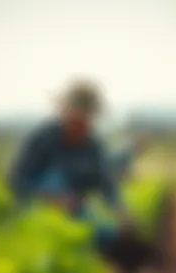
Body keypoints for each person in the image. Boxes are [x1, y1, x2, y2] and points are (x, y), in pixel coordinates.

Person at [7, 79, 142, 251]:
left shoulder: (93, 146)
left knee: (108, 235)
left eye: (85, 122)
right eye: (75, 120)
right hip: (37, 213)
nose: (80, 127)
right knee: (55, 178)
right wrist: (50, 197)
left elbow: (106, 183)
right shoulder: (42, 139)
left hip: (77, 211)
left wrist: (122, 211)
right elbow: (16, 179)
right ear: (64, 114)